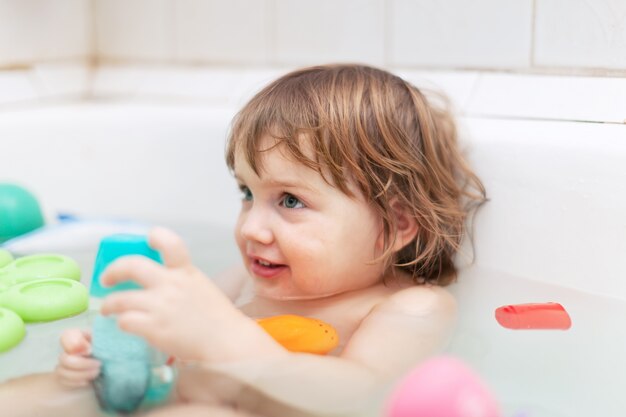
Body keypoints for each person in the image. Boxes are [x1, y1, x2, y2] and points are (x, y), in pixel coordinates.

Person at [2, 64, 486, 417]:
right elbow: (174, 354)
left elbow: (363, 395)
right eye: (247, 193)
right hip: (177, 394)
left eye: (291, 201)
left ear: (397, 225)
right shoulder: (243, 281)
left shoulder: (409, 307)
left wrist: (225, 337)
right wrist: (112, 356)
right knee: (40, 394)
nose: (252, 227)